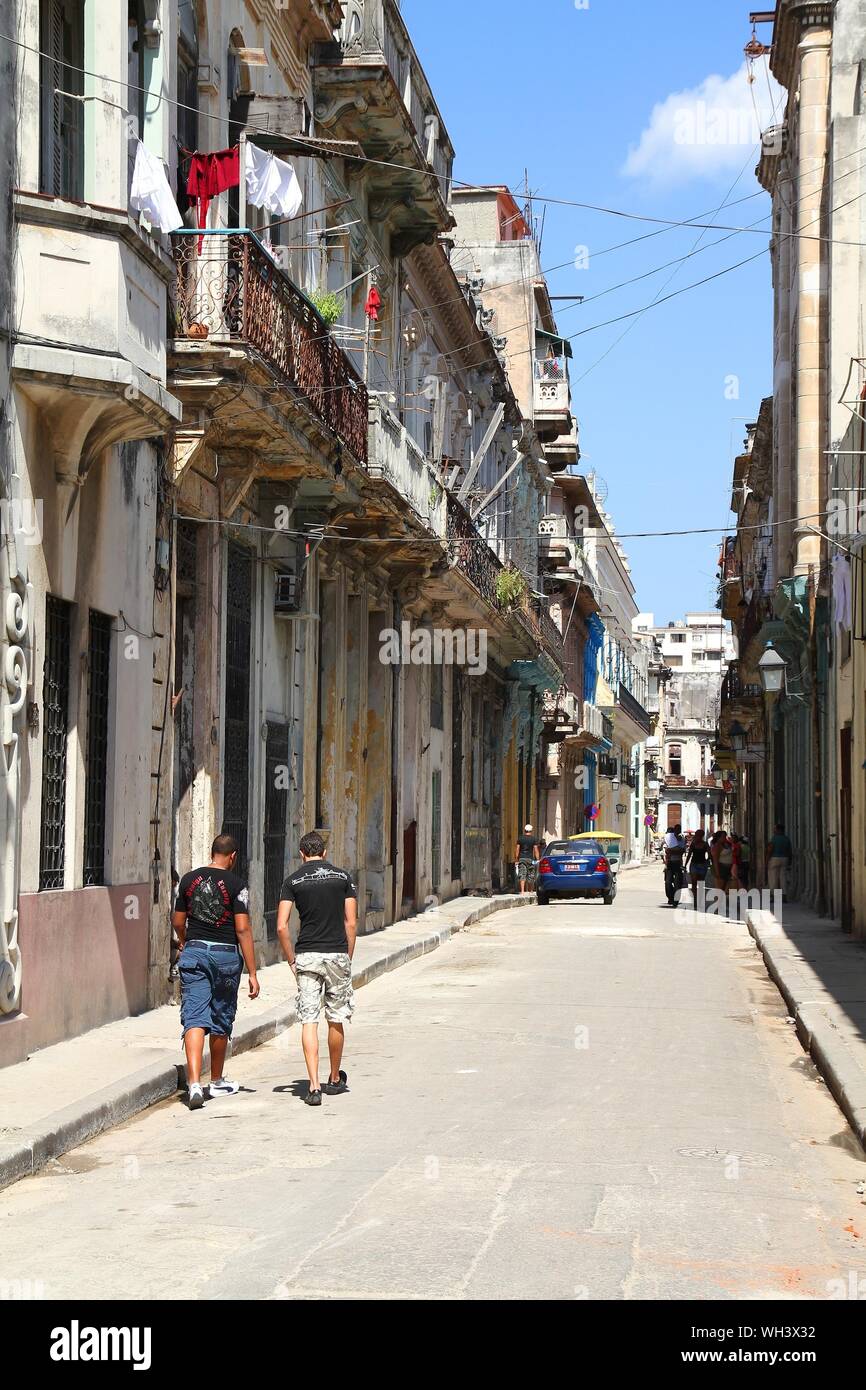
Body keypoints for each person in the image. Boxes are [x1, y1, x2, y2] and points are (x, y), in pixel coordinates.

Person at [173, 834, 260, 1111]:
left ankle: (195, 1083)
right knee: (221, 1015)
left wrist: (185, 939)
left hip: (195, 951)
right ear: (232, 856)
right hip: (225, 955)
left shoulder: (188, 880)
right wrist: (253, 972)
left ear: (212, 853)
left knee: (194, 1016)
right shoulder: (237, 885)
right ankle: (217, 1079)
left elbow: (177, 920)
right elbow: (243, 929)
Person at [277, 831, 358, 1107]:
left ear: (302, 854)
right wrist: (347, 955)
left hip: (307, 956)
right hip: (336, 953)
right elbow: (351, 923)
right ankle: (334, 1078)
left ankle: (313, 1086)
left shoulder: (293, 881)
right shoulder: (344, 878)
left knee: (308, 1019)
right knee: (335, 1017)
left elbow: (281, 926)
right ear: (324, 852)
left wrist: (291, 959)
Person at [766, 822, 794, 896]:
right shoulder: (787, 839)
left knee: (773, 877)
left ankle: (773, 894)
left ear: (778, 830)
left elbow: (770, 850)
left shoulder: (774, 838)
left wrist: (767, 860)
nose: (774, 830)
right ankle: (784, 894)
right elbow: (790, 851)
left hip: (774, 859)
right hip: (785, 859)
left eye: (775, 829)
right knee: (783, 877)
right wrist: (790, 861)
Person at [684, 827, 709, 907]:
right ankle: (695, 899)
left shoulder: (705, 844)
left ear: (701, 836)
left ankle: (700, 899)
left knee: (701, 883)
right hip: (694, 864)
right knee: (694, 882)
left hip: (702, 864)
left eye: (698, 835)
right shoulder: (693, 844)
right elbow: (689, 855)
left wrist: (708, 861)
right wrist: (685, 864)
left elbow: (710, 854)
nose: (696, 836)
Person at [663, 823, 686, 904]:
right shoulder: (669, 838)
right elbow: (667, 850)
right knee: (668, 882)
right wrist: (676, 850)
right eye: (676, 829)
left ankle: (676, 899)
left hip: (678, 863)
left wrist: (673, 850)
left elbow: (682, 851)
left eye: (679, 830)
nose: (677, 831)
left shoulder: (682, 839)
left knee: (677, 882)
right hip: (669, 863)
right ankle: (670, 897)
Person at [515, 824, 539, 893]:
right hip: (530, 859)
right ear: (531, 831)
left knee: (522, 874)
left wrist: (516, 859)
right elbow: (536, 850)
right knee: (530, 874)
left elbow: (517, 850)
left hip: (522, 858)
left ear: (524, 830)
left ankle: (522, 891)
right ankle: (530, 890)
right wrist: (537, 859)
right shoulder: (533, 839)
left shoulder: (520, 838)